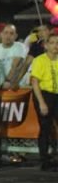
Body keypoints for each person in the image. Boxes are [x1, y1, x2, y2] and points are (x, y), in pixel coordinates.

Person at [29, 33, 58, 170]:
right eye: (52, 43)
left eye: (57, 43)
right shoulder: (39, 60)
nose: (55, 46)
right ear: (46, 45)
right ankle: (45, 160)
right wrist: (42, 103)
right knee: (45, 127)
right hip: (44, 95)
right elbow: (35, 82)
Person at [0, 23, 28, 89]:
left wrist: (7, 81)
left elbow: (16, 66)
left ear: (16, 36)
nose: (8, 36)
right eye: (6, 33)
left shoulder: (20, 47)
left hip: (17, 88)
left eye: (11, 33)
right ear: (1, 34)